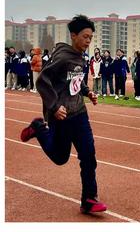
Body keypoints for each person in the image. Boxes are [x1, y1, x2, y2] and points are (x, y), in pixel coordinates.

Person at [20, 15, 107, 214]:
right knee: (60, 158)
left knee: (88, 156)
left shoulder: (80, 57)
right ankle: (39, 128)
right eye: (85, 37)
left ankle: (89, 199)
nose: (88, 41)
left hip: (80, 113)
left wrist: (87, 92)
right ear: (74, 35)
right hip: (61, 116)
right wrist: (53, 106)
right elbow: (42, 81)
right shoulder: (62, 57)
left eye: (91, 38)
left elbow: (75, 79)